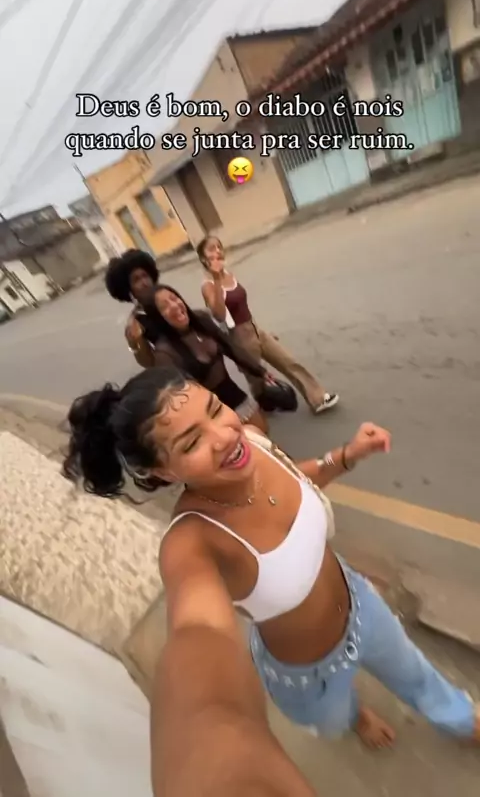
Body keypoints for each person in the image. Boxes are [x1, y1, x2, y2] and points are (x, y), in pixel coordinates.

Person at [63, 367, 479, 795]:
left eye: (215, 409)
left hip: (362, 605)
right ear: (165, 472)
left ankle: (464, 721)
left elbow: (296, 478)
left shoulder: (252, 443)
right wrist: (209, 745)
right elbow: (198, 633)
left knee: (417, 674)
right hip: (309, 677)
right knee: (335, 718)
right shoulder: (192, 542)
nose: (224, 436)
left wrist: (347, 455)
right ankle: (357, 718)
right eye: (191, 442)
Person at [197, 235, 338, 414]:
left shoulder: (230, 275)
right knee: (257, 378)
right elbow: (219, 315)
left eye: (219, 247)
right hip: (238, 338)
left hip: (254, 328)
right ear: (204, 258)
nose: (218, 251)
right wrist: (217, 279)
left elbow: (242, 307)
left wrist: (260, 331)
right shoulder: (208, 285)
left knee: (288, 361)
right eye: (212, 248)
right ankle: (264, 402)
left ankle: (318, 398)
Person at [148, 283, 269, 434]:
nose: (174, 305)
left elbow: (231, 348)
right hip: (211, 416)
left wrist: (260, 371)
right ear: (158, 317)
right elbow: (182, 399)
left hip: (236, 396)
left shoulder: (201, 319)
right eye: (164, 306)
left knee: (263, 438)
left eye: (174, 298)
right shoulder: (165, 353)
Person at [105, 249, 161, 368]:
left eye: (145, 276)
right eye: (136, 280)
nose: (144, 282)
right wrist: (135, 343)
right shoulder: (136, 322)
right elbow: (148, 363)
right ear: (129, 289)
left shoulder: (169, 298)